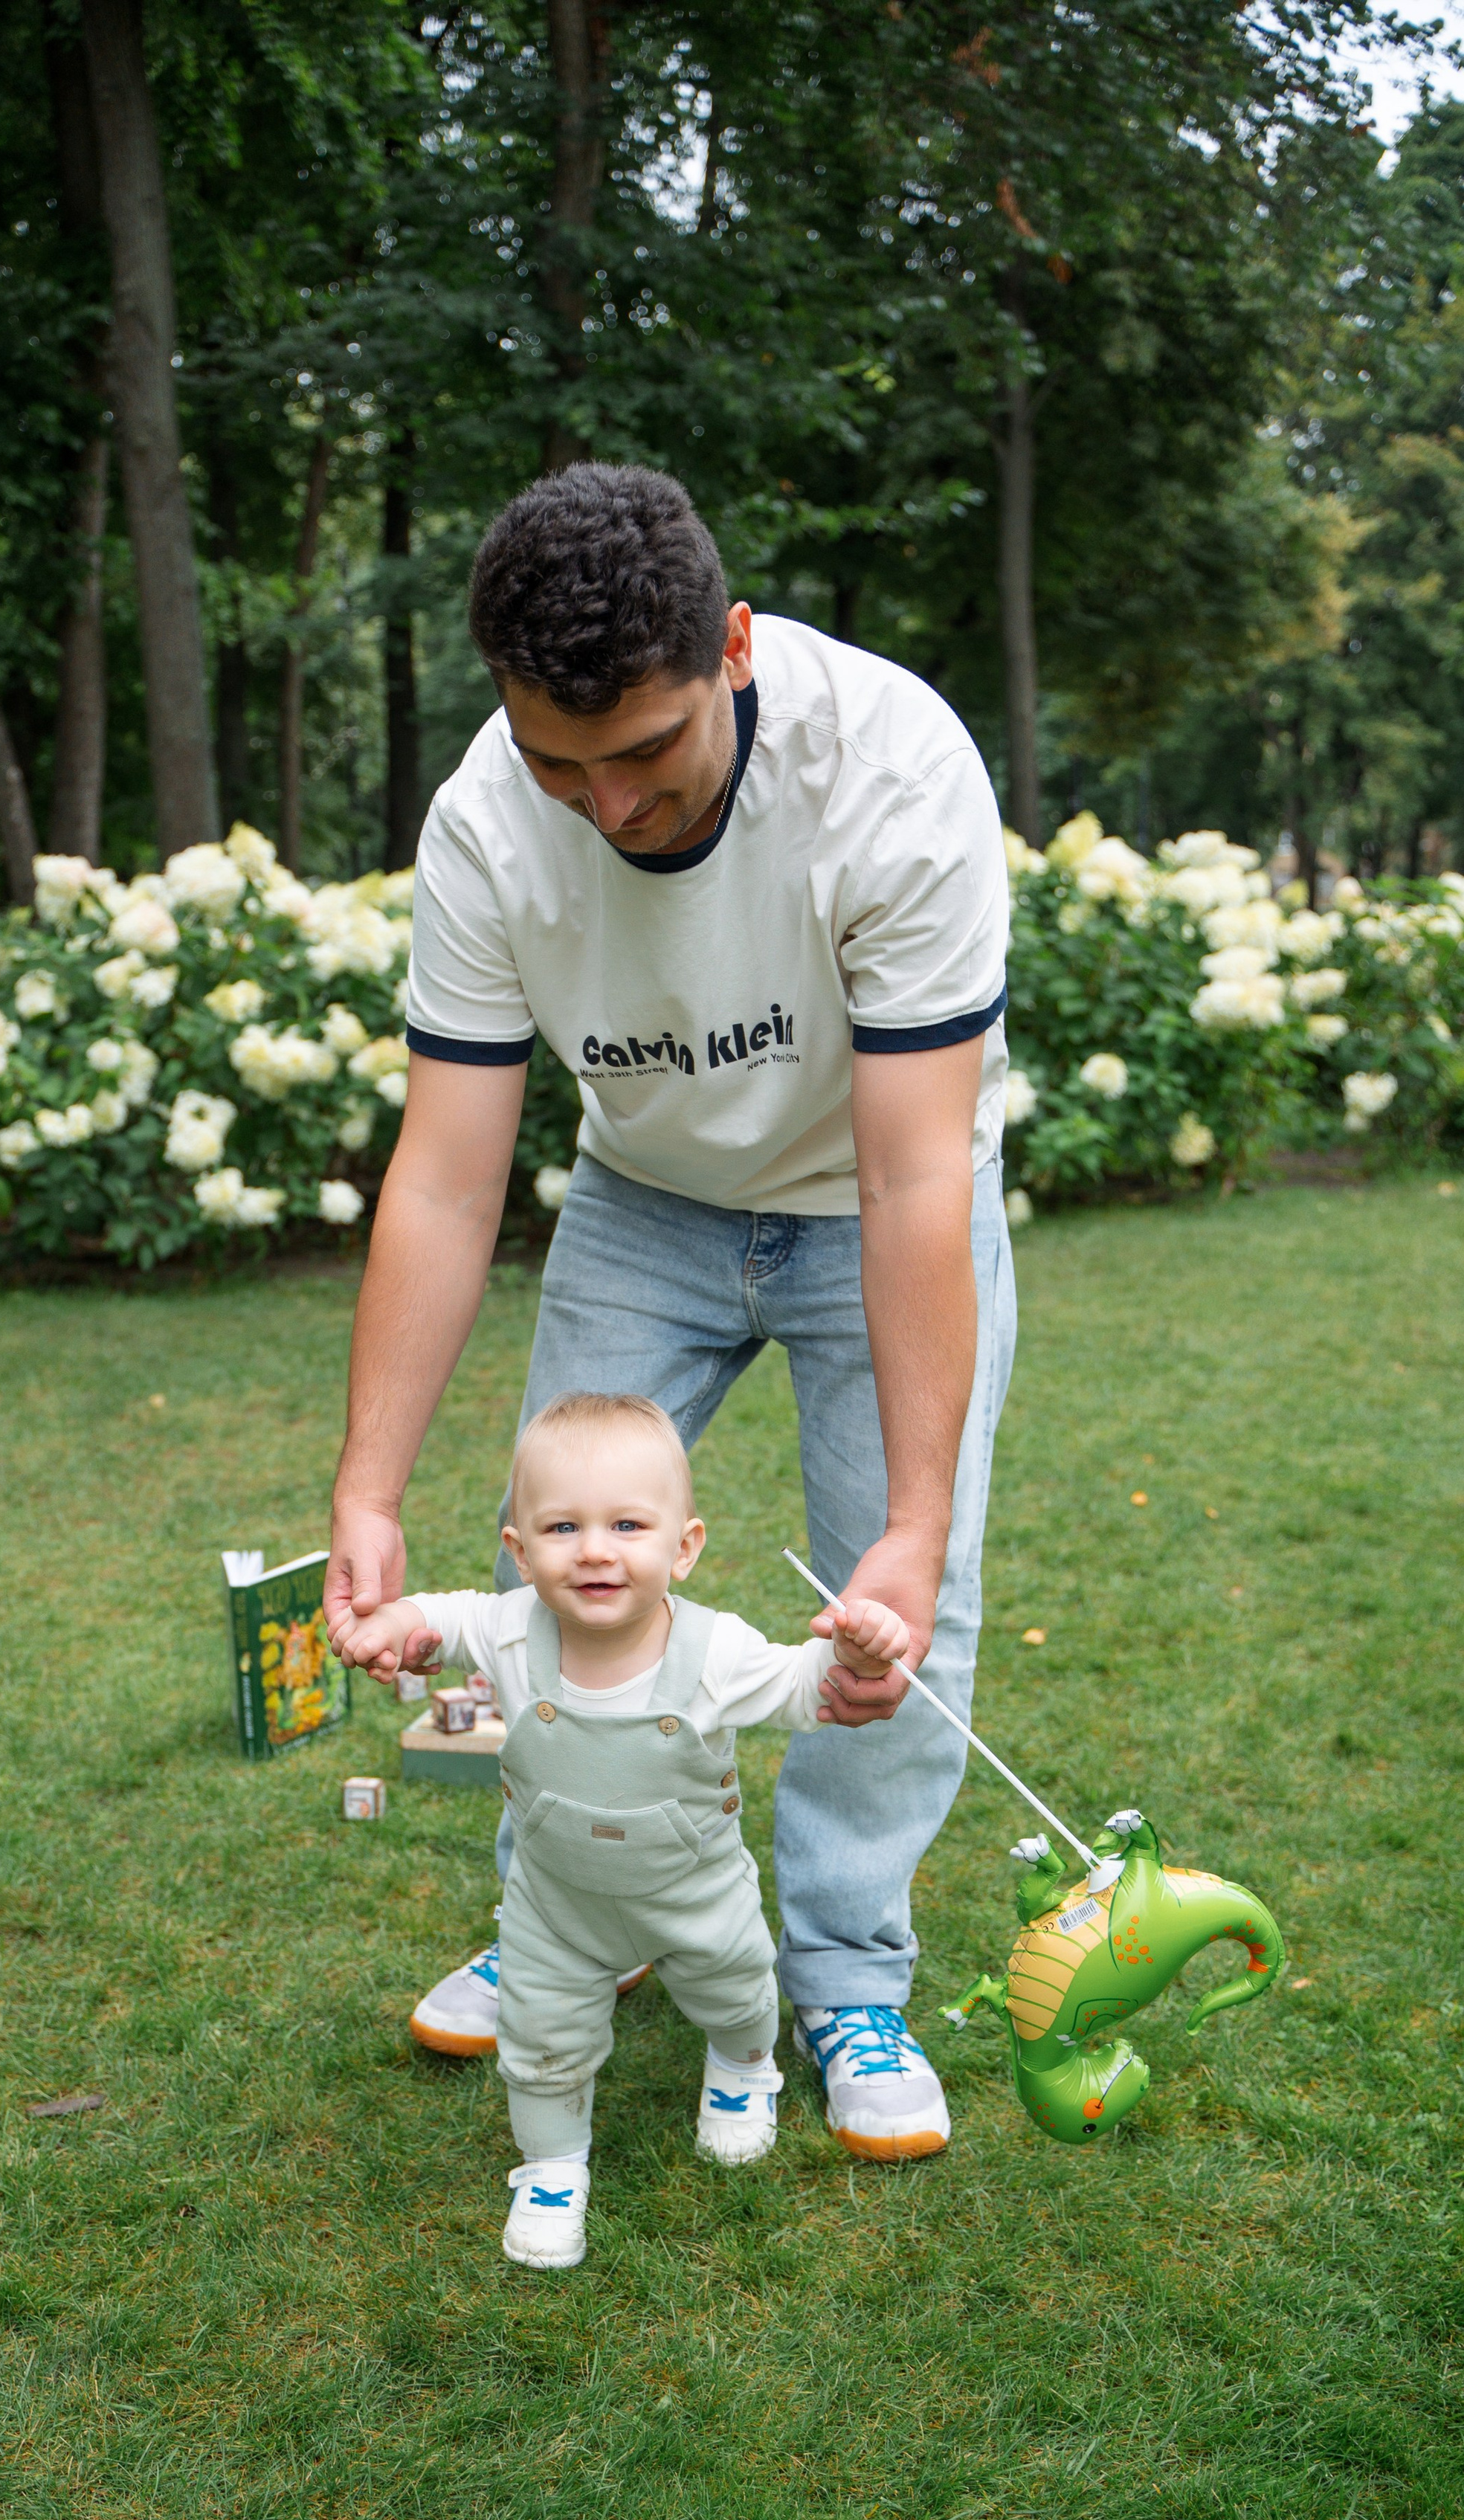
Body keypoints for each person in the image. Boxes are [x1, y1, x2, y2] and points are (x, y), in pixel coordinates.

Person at [326, 462, 1016, 2164]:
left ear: (728, 646)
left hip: (873, 1202)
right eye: (560, 759)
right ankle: (580, 1917)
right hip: (641, 1202)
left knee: (890, 1617)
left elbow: (915, 1177)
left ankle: (848, 1968)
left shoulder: (892, 768)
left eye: (643, 750)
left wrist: (916, 1521)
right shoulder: (491, 819)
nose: (605, 803)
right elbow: (439, 1176)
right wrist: (364, 1483)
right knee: (545, 1572)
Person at [338, 1392, 913, 2266]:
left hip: (695, 1898)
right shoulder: (508, 1630)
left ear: (683, 1548)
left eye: (628, 1526)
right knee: (540, 2041)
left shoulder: (714, 1652)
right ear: (519, 1551)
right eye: (562, 1527)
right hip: (556, 1906)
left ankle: (742, 2066)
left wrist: (857, 1651)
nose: (596, 1550)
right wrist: (394, 1622)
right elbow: (443, 1616)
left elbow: (803, 1688)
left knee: (736, 1988)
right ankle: (552, 2165)